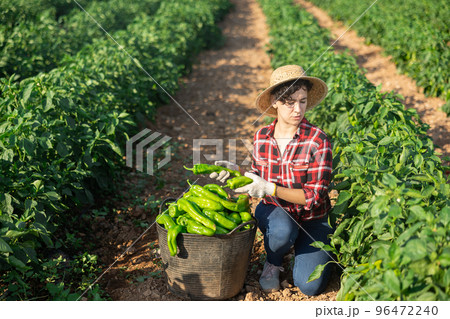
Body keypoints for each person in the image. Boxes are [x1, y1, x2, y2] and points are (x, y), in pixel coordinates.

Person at [210, 65, 334, 295]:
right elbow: (258, 175)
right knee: (282, 231)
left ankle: (311, 249)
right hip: (276, 212)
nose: (298, 109)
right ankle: (274, 261)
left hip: (311, 219)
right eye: (290, 102)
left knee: (309, 286)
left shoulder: (318, 140)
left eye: (303, 101)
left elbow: (313, 197)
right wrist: (235, 174)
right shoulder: (262, 137)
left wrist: (270, 187)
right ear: (275, 102)